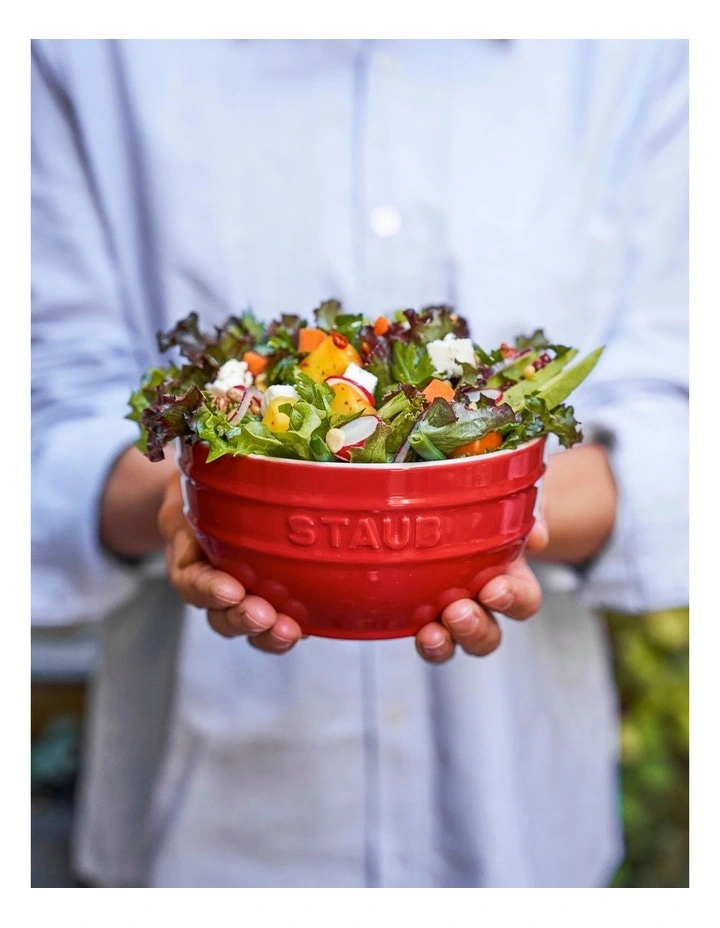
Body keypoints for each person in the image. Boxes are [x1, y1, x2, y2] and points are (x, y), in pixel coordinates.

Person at [31, 39, 688, 888]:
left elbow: (681, 417)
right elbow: (49, 411)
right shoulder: (85, 46)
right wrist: (196, 499)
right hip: (199, 840)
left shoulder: (642, 50)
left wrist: (501, 510)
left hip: (519, 837)